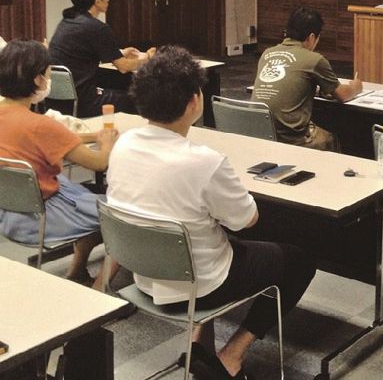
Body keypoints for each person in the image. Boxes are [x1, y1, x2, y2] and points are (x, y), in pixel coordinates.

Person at [106, 45, 315, 380]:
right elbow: (247, 219)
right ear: (194, 102)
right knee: (299, 259)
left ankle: (199, 340)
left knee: (206, 235)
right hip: (200, 283)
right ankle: (232, 355)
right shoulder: (204, 160)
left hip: (144, 276)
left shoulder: (123, 144)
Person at [0, 39, 119, 288]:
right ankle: (100, 292)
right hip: (43, 218)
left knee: (87, 199)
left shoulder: (14, 117)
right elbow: (98, 163)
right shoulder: (41, 125)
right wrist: (106, 142)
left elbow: (53, 139)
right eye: (47, 73)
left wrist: (87, 136)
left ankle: (76, 271)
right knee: (124, 220)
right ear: (36, 80)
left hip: (8, 215)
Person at [252, 7, 363, 151]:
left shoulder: (267, 53)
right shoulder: (314, 59)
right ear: (311, 37)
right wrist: (356, 86)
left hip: (258, 130)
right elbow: (343, 94)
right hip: (291, 137)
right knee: (331, 138)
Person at [49, 0, 156, 118]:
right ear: (97, 0)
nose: (108, 0)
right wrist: (148, 58)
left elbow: (82, 54)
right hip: (84, 102)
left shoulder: (67, 22)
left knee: (119, 82)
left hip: (58, 101)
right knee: (141, 98)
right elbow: (124, 67)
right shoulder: (96, 27)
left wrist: (120, 53)